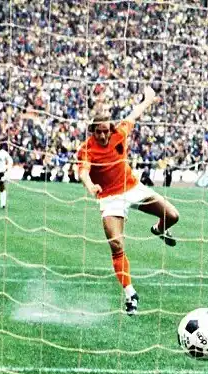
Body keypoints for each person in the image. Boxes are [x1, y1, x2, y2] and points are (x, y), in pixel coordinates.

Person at [76, 87, 180, 316]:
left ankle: (158, 230)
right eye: (98, 132)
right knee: (116, 244)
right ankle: (131, 294)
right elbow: (83, 171)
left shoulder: (120, 133)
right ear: (92, 130)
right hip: (110, 199)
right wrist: (90, 185)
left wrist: (149, 99)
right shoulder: (86, 149)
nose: (102, 136)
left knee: (172, 216)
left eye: (105, 131)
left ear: (110, 129)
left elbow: (135, 114)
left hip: (132, 188)